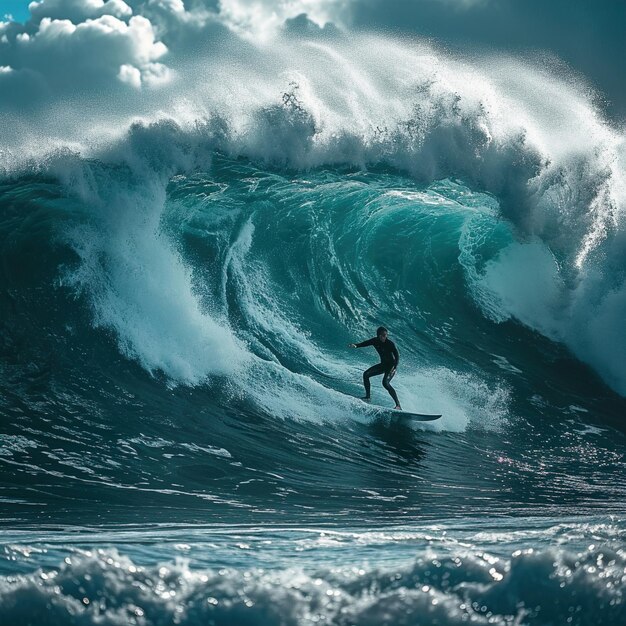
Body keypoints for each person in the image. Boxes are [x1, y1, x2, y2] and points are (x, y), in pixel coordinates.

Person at [348, 326, 401, 409]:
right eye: (383, 335)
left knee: (385, 383)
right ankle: (368, 397)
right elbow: (365, 343)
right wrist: (356, 345)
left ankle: (398, 405)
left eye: (386, 335)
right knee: (366, 374)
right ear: (378, 335)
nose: (385, 337)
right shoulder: (375, 341)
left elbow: (397, 356)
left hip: (391, 367)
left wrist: (394, 368)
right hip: (383, 365)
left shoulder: (390, 344)